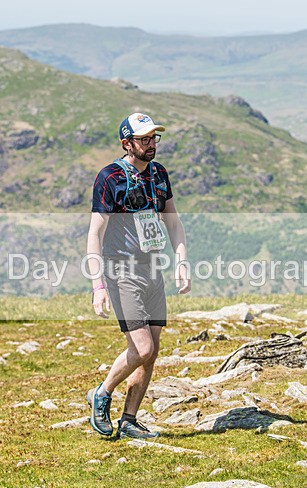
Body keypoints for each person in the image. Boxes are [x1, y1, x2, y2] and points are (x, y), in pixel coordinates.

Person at [85, 112, 190, 439]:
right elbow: (94, 233)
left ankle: (129, 420)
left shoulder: (159, 174)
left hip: (152, 269)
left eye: (153, 138)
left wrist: (181, 261)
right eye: (144, 139)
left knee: (152, 349)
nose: (151, 144)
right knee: (141, 348)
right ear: (126, 143)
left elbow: (172, 221)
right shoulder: (110, 177)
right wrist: (97, 285)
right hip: (121, 270)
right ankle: (101, 393)